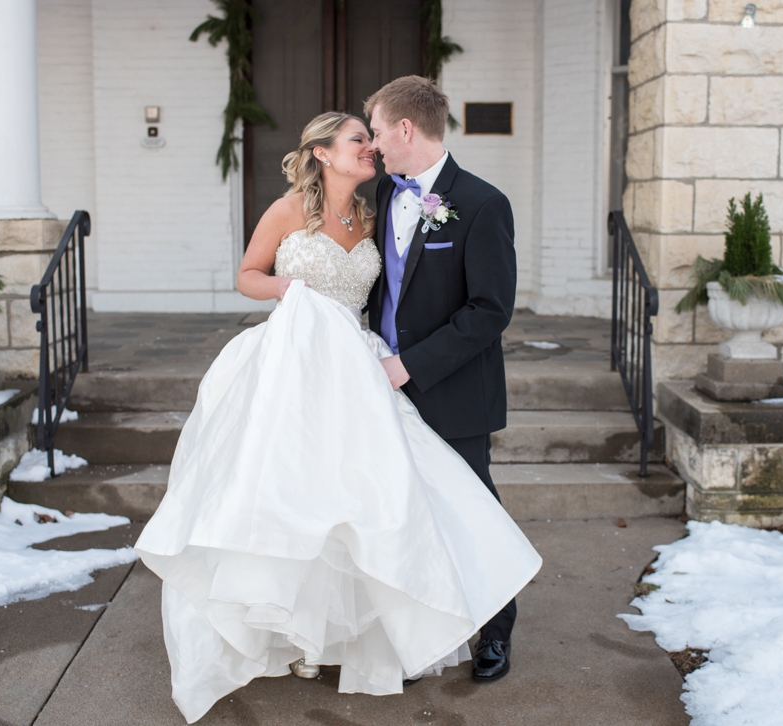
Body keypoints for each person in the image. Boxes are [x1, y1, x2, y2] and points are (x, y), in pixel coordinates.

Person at [134, 111, 540, 725]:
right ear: (322, 153)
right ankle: (294, 626)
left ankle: (465, 624)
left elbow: (417, 290)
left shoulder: (379, 209)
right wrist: (287, 291)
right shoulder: (288, 210)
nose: (371, 148)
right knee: (290, 491)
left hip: (363, 363)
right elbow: (249, 275)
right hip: (295, 362)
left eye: (373, 136)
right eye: (358, 139)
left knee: (380, 491)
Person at [365, 75, 521, 682]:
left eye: (377, 132)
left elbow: (490, 310)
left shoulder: (483, 204)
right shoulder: (381, 196)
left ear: (406, 129)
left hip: (452, 390)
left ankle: (495, 634)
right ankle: (418, 632)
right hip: (380, 387)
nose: (374, 145)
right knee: (401, 514)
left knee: (473, 514)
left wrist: (413, 365)